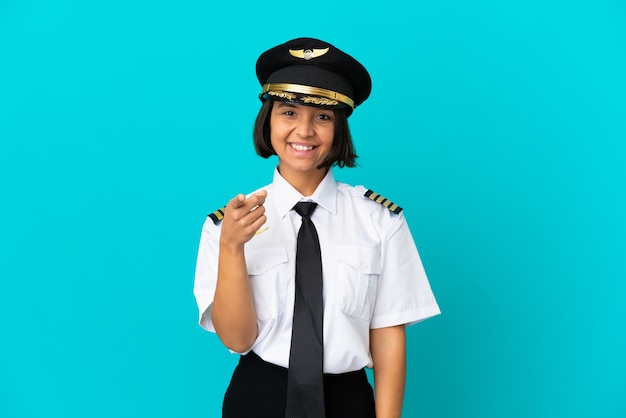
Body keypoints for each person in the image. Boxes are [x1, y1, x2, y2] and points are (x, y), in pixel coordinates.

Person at [194, 37, 440, 418]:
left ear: (340, 127)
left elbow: (389, 335)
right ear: (268, 120)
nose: (304, 131)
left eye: (322, 116)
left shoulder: (380, 221)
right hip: (259, 397)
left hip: (347, 398)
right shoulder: (229, 224)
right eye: (288, 112)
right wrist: (231, 247)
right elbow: (237, 339)